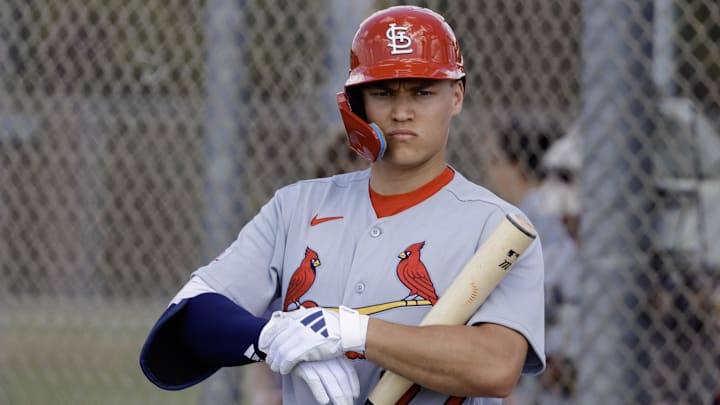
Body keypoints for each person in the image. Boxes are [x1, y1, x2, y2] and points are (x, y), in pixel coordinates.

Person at [139, 6, 546, 405]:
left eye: (422, 92)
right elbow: (188, 320)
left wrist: (353, 332)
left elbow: (496, 367)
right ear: (357, 102)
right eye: (383, 92)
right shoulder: (297, 206)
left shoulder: (495, 227)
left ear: (456, 96)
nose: (402, 112)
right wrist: (270, 336)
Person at [480, 119, 581, 405]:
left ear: (517, 165)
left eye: (495, 161)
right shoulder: (518, 215)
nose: (489, 172)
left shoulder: (539, 215)